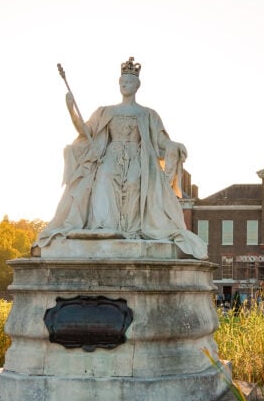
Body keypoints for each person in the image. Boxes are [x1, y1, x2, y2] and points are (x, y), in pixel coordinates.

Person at [35, 57, 207, 259]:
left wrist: (173, 146)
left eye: (129, 82)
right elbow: (85, 130)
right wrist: (71, 109)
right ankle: (103, 226)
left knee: (134, 184)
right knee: (104, 179)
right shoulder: (106, 111)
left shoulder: (147, 114)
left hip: (137, 158)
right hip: (110, 156)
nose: (124, 85)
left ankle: (130, 229)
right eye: (122, 81)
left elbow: (161, 140)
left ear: (137, 85)